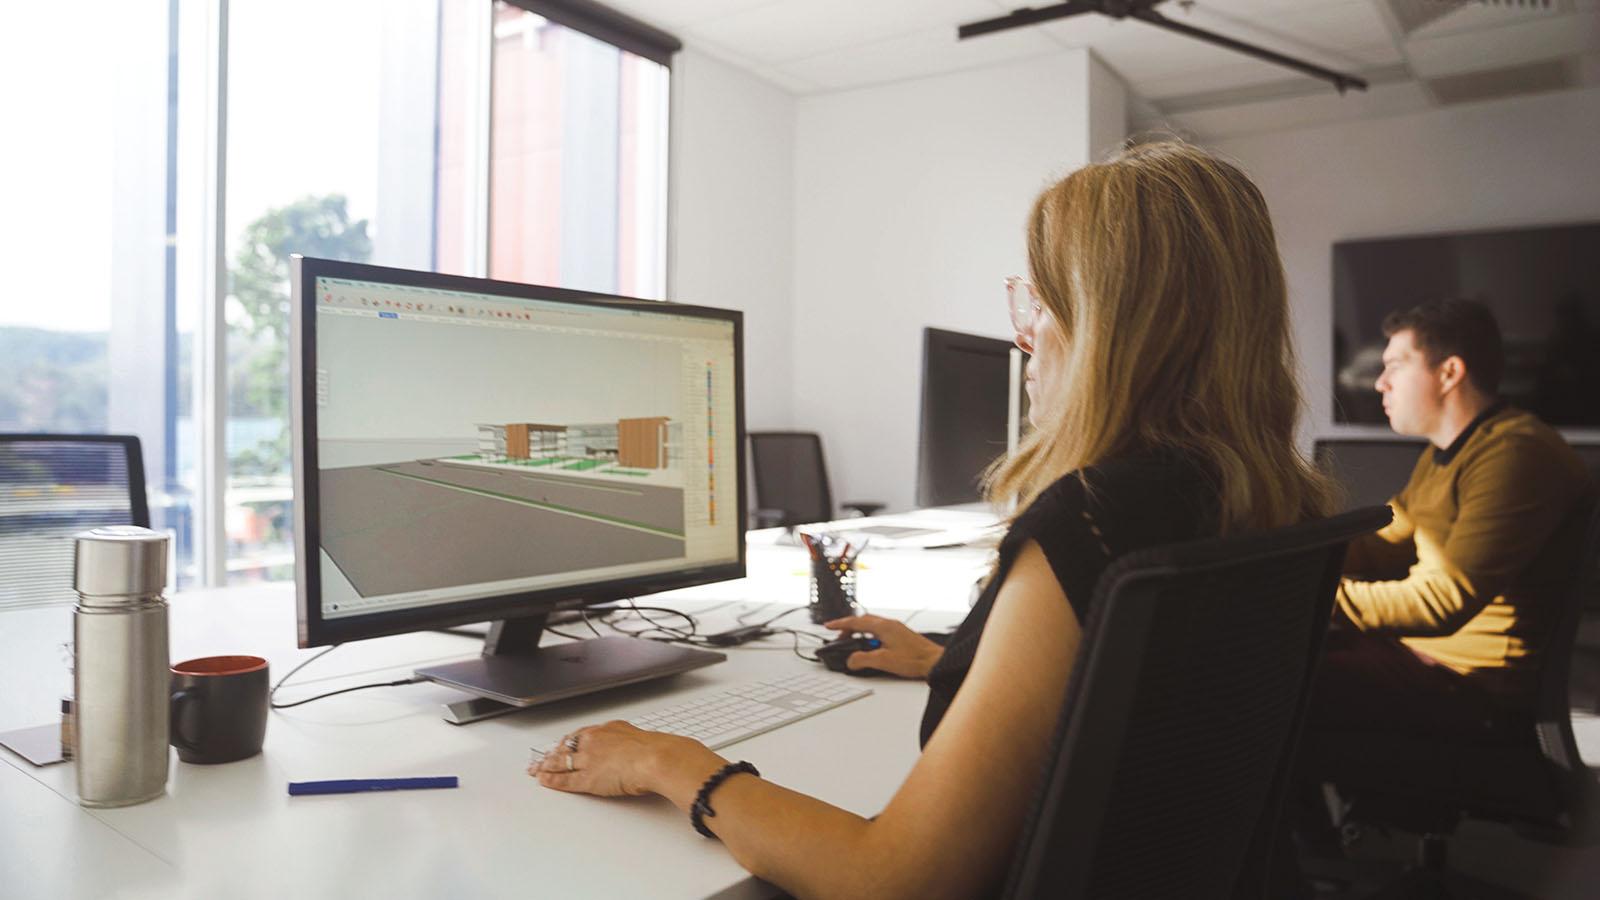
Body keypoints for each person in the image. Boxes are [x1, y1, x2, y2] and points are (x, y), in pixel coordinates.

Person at [528, 142, 1335, 899]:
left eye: (1042, 301)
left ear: (1109, 329)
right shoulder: (1268, 501)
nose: (1023, 335)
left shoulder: (1091, 521)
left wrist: (669, 763)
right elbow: (1154, 704)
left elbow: (895, 879)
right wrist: (958, 659)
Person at [1312, 300, 1594, 741]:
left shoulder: (1515, 454)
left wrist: (1309, 595)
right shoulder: (1449, 452)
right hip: (1423, 663)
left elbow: (1442, 600)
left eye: (1395, 366)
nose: (1380, 382)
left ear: (1449, 373)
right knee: (1278, 658)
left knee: (1273, 685)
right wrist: (1298, 558)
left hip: (1473, 688)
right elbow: (1384, 543)